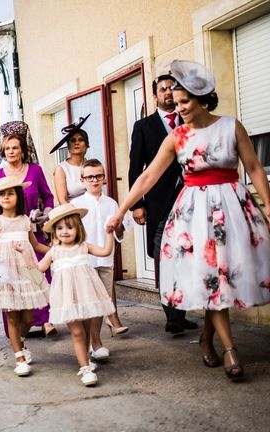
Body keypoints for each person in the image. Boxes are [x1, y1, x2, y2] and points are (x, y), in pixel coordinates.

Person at [107, 60, 270, 382]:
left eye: (185, 101)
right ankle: (230, 349)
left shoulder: (230, 126)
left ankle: (208, 338)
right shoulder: (177, 137)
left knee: (224, 279)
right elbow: (147, 177)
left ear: (203, 99)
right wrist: (122, 209)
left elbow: (252, 166)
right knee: (211, 277)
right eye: (176, 102)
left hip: (233, 209)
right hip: (194, 215)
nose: (178, 107)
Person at [129, 74, 198, 335]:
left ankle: (180, 314)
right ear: (155, 94)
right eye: (163, 89)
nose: (168, 93)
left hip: (189, 199)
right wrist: (137, 203)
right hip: (159, 203)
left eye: (172, 88)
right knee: (163, 258)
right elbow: (136, 167)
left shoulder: (191, 122)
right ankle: (171, 314)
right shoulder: (143, 126)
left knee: (186, 255)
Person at [0, 122, 55, 335]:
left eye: (15, 148)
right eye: (7, 149)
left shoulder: (35, 170)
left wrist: (46, 213)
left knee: (38, 277)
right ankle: (17, 326)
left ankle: (46, 321)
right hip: (8, 237)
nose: (11, 152)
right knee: (14, 281)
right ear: (2, 152)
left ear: (23, 150)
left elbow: (48, 196)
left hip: (32, 232)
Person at [39, 204, 116, 386]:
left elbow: (105, 251)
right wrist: (24, 259)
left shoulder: (83, 246)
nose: (64, 231)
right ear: (54, 231)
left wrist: (109, 233)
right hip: (67, 298)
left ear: (78, 229)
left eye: (70, 227)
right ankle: (85, 369)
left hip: (87, 295)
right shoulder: (54, 252)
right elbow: (38, 269)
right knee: (78, 332)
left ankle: (86, 360)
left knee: (87, 330)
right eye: (60, 228)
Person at [0, 177, 50, 376]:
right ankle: (19, 356)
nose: (6, 197)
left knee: (28, 316)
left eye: (10, 193)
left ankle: (19, 341)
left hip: (26, 271)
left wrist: (55, 251)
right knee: (11, 315)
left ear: (18, 196)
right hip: (7, 273)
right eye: (2, 194)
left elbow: (35, 245)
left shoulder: (25, 220)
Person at [72, 159, 129, 361]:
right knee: (89, 304)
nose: (94, 180)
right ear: (82, 180)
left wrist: (117, 227)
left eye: (98, 176)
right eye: (90, 177)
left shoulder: (111, 203)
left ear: (104, 178)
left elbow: (120, 233)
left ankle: (95, 342)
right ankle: (91, 342)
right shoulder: (76, 205)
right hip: (85, 262)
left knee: (101, 304)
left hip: (105, 261)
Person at [51, 115, 91, 205]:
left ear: (87, 145)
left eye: (81, 140)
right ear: (68, 146)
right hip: (73, 212)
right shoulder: (61, 169)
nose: (76, 143)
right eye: (73, 140)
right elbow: (62, 200)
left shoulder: (91, 165)